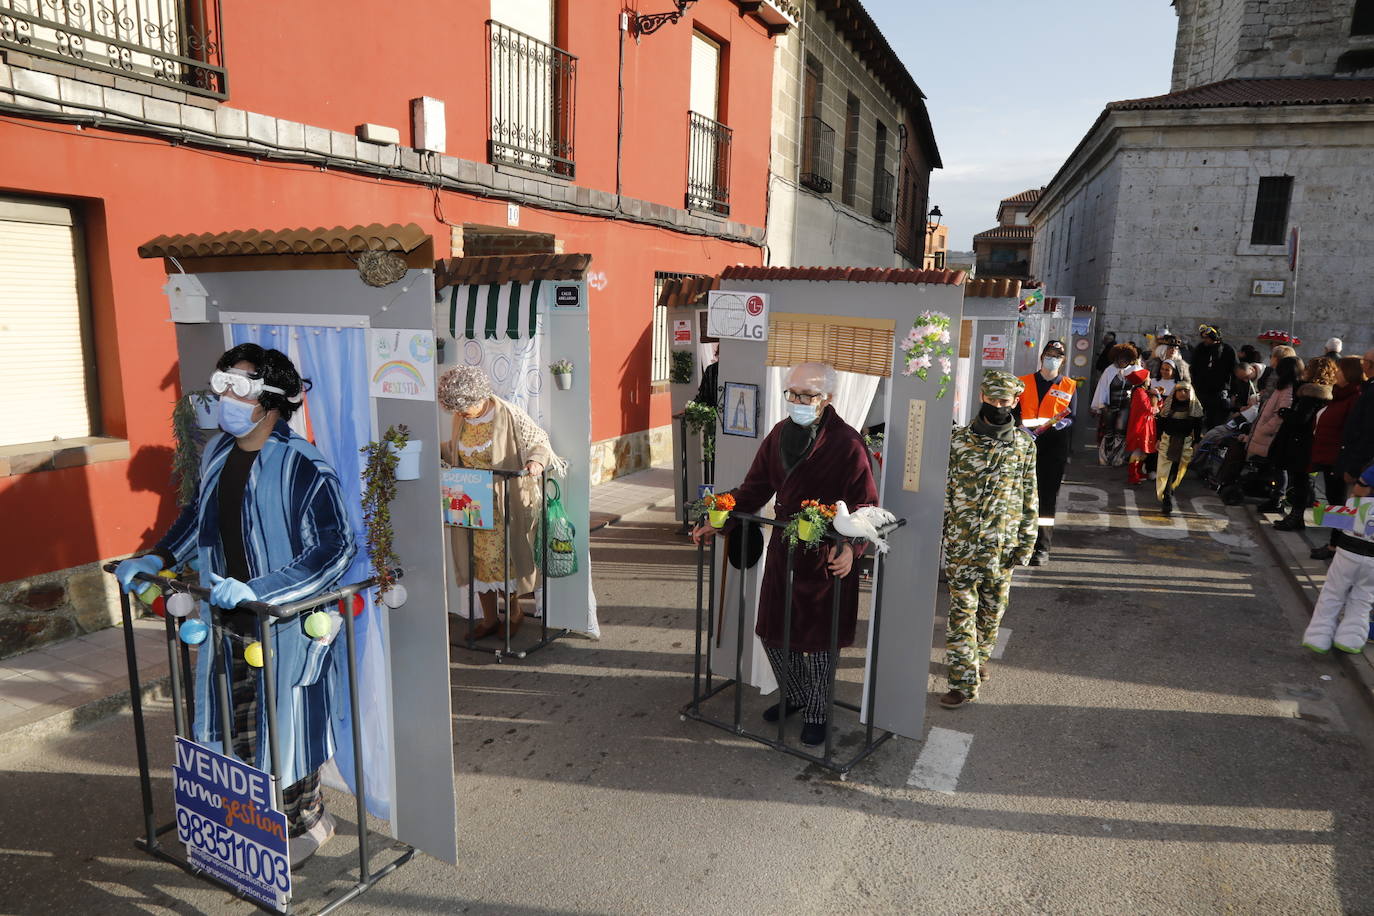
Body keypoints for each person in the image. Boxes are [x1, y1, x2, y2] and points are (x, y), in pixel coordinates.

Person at [114, 344, 355, 865]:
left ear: (269, 401)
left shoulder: (304, 467)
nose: (222, 396)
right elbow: (197, 519)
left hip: (286, 624)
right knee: (235, 725)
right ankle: (248, 818)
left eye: (237, 388)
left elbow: (337, 549)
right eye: (221, 384)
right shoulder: (218, 452)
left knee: (288, 726)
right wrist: (156, 558)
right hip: (224, 621)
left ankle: (309, 821)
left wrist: (262, 591)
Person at [692, 362, 877, 746]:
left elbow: (865, 508)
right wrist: (720, 516)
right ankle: (794, 695)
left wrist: (851, 550)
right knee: (773, 633)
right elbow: (755, 487)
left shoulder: (847, 444)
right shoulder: (778, 435)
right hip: (784, 551)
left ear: (827, 399)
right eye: (791, 393)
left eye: (806, 395)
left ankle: (817, 711)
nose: (796, 401)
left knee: (819, 644)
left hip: (826, 556)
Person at [438, 366, 561, 643]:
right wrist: (439, 449)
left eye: (466, 406)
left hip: (502, 503)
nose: (462, 413)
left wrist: (536, 461)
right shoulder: (461, 418)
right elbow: (457, 449)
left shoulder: (508, 414)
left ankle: (515, 613)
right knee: (476, 561)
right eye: (457, 408)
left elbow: (539, 440)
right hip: (470, 502)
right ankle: (490, 619)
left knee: (504, 561)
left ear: (480, 397)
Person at [940, 370, 1038, 709]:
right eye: (993, 398)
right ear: (982, 396)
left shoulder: (1023, 445)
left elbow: (1029, 494)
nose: (999, 405)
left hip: (1003, 547)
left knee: (992, 612)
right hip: (963, 545)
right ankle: (961, 682)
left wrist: (1027, 542)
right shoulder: (957, 441)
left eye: (1005, 400)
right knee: (961, 613)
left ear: (1014, 401)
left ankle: (979, 658)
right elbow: (945, 491)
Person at [1300, 463, 1374, 655]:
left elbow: (1360, 487)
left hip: (1350, 550)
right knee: (1363, 597)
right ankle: (1351, 639)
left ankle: (1318, 636)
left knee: (1334, 591)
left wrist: (1357, 494)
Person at [1017, 341, 1076, 566]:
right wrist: (1021, 428)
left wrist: (1063, 425)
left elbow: (1073, 416)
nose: (1053, 359)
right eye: (1050, 354)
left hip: (1053, 450)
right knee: (1021, 496)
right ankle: (1021, 544)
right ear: (1042, 356)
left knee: (1046, 500)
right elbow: (1013, 411)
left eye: (1058, 356)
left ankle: (1042, 547)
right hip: (1025, 447)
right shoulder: (1023, 382)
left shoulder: (1069, 385)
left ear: (1063, 361)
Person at [1310, 357, 1368, 559]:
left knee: (1341, 504)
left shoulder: (1355, 397)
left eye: (1339, 370)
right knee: (1335, 503)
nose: (1335, 373)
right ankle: (1335, 544)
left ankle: (1337, 546)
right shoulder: (1341, 394)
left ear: (1349, 373)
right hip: (1329, 457)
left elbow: (1353, 432)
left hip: (1340, 459)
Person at [1270, 357, 1338, 531]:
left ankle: (1296, 517)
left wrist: (1286, 413)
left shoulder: (1312, 394)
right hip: (1306, 442)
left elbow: (1302, 419)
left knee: (1301, 481)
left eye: (1308, 367)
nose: (1305, 370)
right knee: (1302, 481)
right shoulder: (1323, 393)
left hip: (1301, 443)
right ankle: (1296, 516)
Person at [1246, 355, 1303, 512]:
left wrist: (1265, 428)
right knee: (1276, 467)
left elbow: (1280, 415)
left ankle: (1277, 499)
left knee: (1279, 467)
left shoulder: (1288, 388)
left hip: (1274, 435)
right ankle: (1275, 497)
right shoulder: (1284, 386)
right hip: (1272, 433)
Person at [1155, 381, 1205, 515]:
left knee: (1177, 470)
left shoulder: (1194, 408)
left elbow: (1197, 427)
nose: (1182, 394)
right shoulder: (1168, 406)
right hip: (1168, 441)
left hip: (1185, 443)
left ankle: (1169, 490)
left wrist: (1196, 443)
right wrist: (1158, 439)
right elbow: (1160, 422)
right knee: (1166, 471)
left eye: (1186, 391)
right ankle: (1167, 498)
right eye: (1179, 391)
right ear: (1174, 392)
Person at [1337, 348, 1374, 494]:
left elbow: (1368, 432)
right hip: (1360, 462)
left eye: (1364, 361)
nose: (1362, 364)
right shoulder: (1368, 388)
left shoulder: (1371, 392)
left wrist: (1354, 467)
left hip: (1364, 467)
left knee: (1356, 508)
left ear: (1370, 365)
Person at [1192, 324, 1237, 428]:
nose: (1205, 340)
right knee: (1197, 419)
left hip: (1219, 392)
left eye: (1207, 338)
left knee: (1215, 421)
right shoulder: (1200, 349)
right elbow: (1194, 368)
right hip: (1201, 391)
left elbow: (1234, 371)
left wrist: (1233, 392)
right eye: (1203, 337)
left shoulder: (1227, 350)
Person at [1123, 368, 1160, 486]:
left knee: (1143, 451)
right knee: (1138, 450)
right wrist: (1157, 405)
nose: (1150, 380)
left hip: (1144, 425)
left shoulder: (1142, 391)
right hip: (1141, 426)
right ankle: (1132, 474)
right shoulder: (1140, 392)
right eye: (1148, 378)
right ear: (1144, 380)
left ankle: (1137, 472)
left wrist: (1157, 397)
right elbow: (1148, 408)